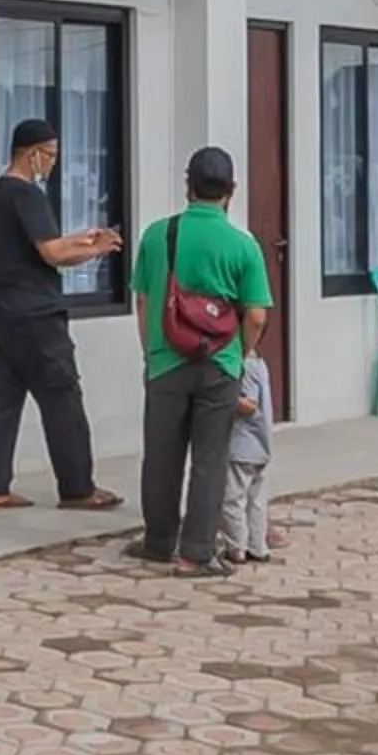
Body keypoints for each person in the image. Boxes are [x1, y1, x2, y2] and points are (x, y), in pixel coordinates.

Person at [0, 117, 127, 513]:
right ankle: (78, 488)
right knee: (63, 399)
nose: (54, 163)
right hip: (36, 318)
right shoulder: (27, 195)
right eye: (51, 155)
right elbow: (53, 254)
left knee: (3, 400)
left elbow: (45, 244)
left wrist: (83, 238)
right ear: (32, 154)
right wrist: (97, 249)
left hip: (0, 316)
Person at [131, 146, 272, 577]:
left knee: (161, 455)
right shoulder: (242, 246)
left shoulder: (157, 235)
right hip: (220, 364)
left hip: (165, 361)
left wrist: (151, 350)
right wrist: (243, 351)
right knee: (210, 458)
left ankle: (158, 541)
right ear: (231, 191)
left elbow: (142, 300)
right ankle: (195, 551)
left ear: (188, 185)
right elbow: (257, 314)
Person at [219, 347, 277, 564]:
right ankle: (257, 546)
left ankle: (236, 548)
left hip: (242, 445)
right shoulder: (260, 363)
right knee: (257, 500)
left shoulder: (245, 365)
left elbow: (249, 405)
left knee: (231, 499)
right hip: (261, 446)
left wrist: (220, 396)